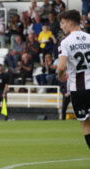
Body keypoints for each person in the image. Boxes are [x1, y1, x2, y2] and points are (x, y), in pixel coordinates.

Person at [57, 10, 90, 148]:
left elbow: (61, 67)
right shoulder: (89, 38)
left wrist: (60, 76)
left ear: (70, 23)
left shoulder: (65, 42)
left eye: (63, 23)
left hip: (80, 89)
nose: (61, 26)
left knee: (86, 125)